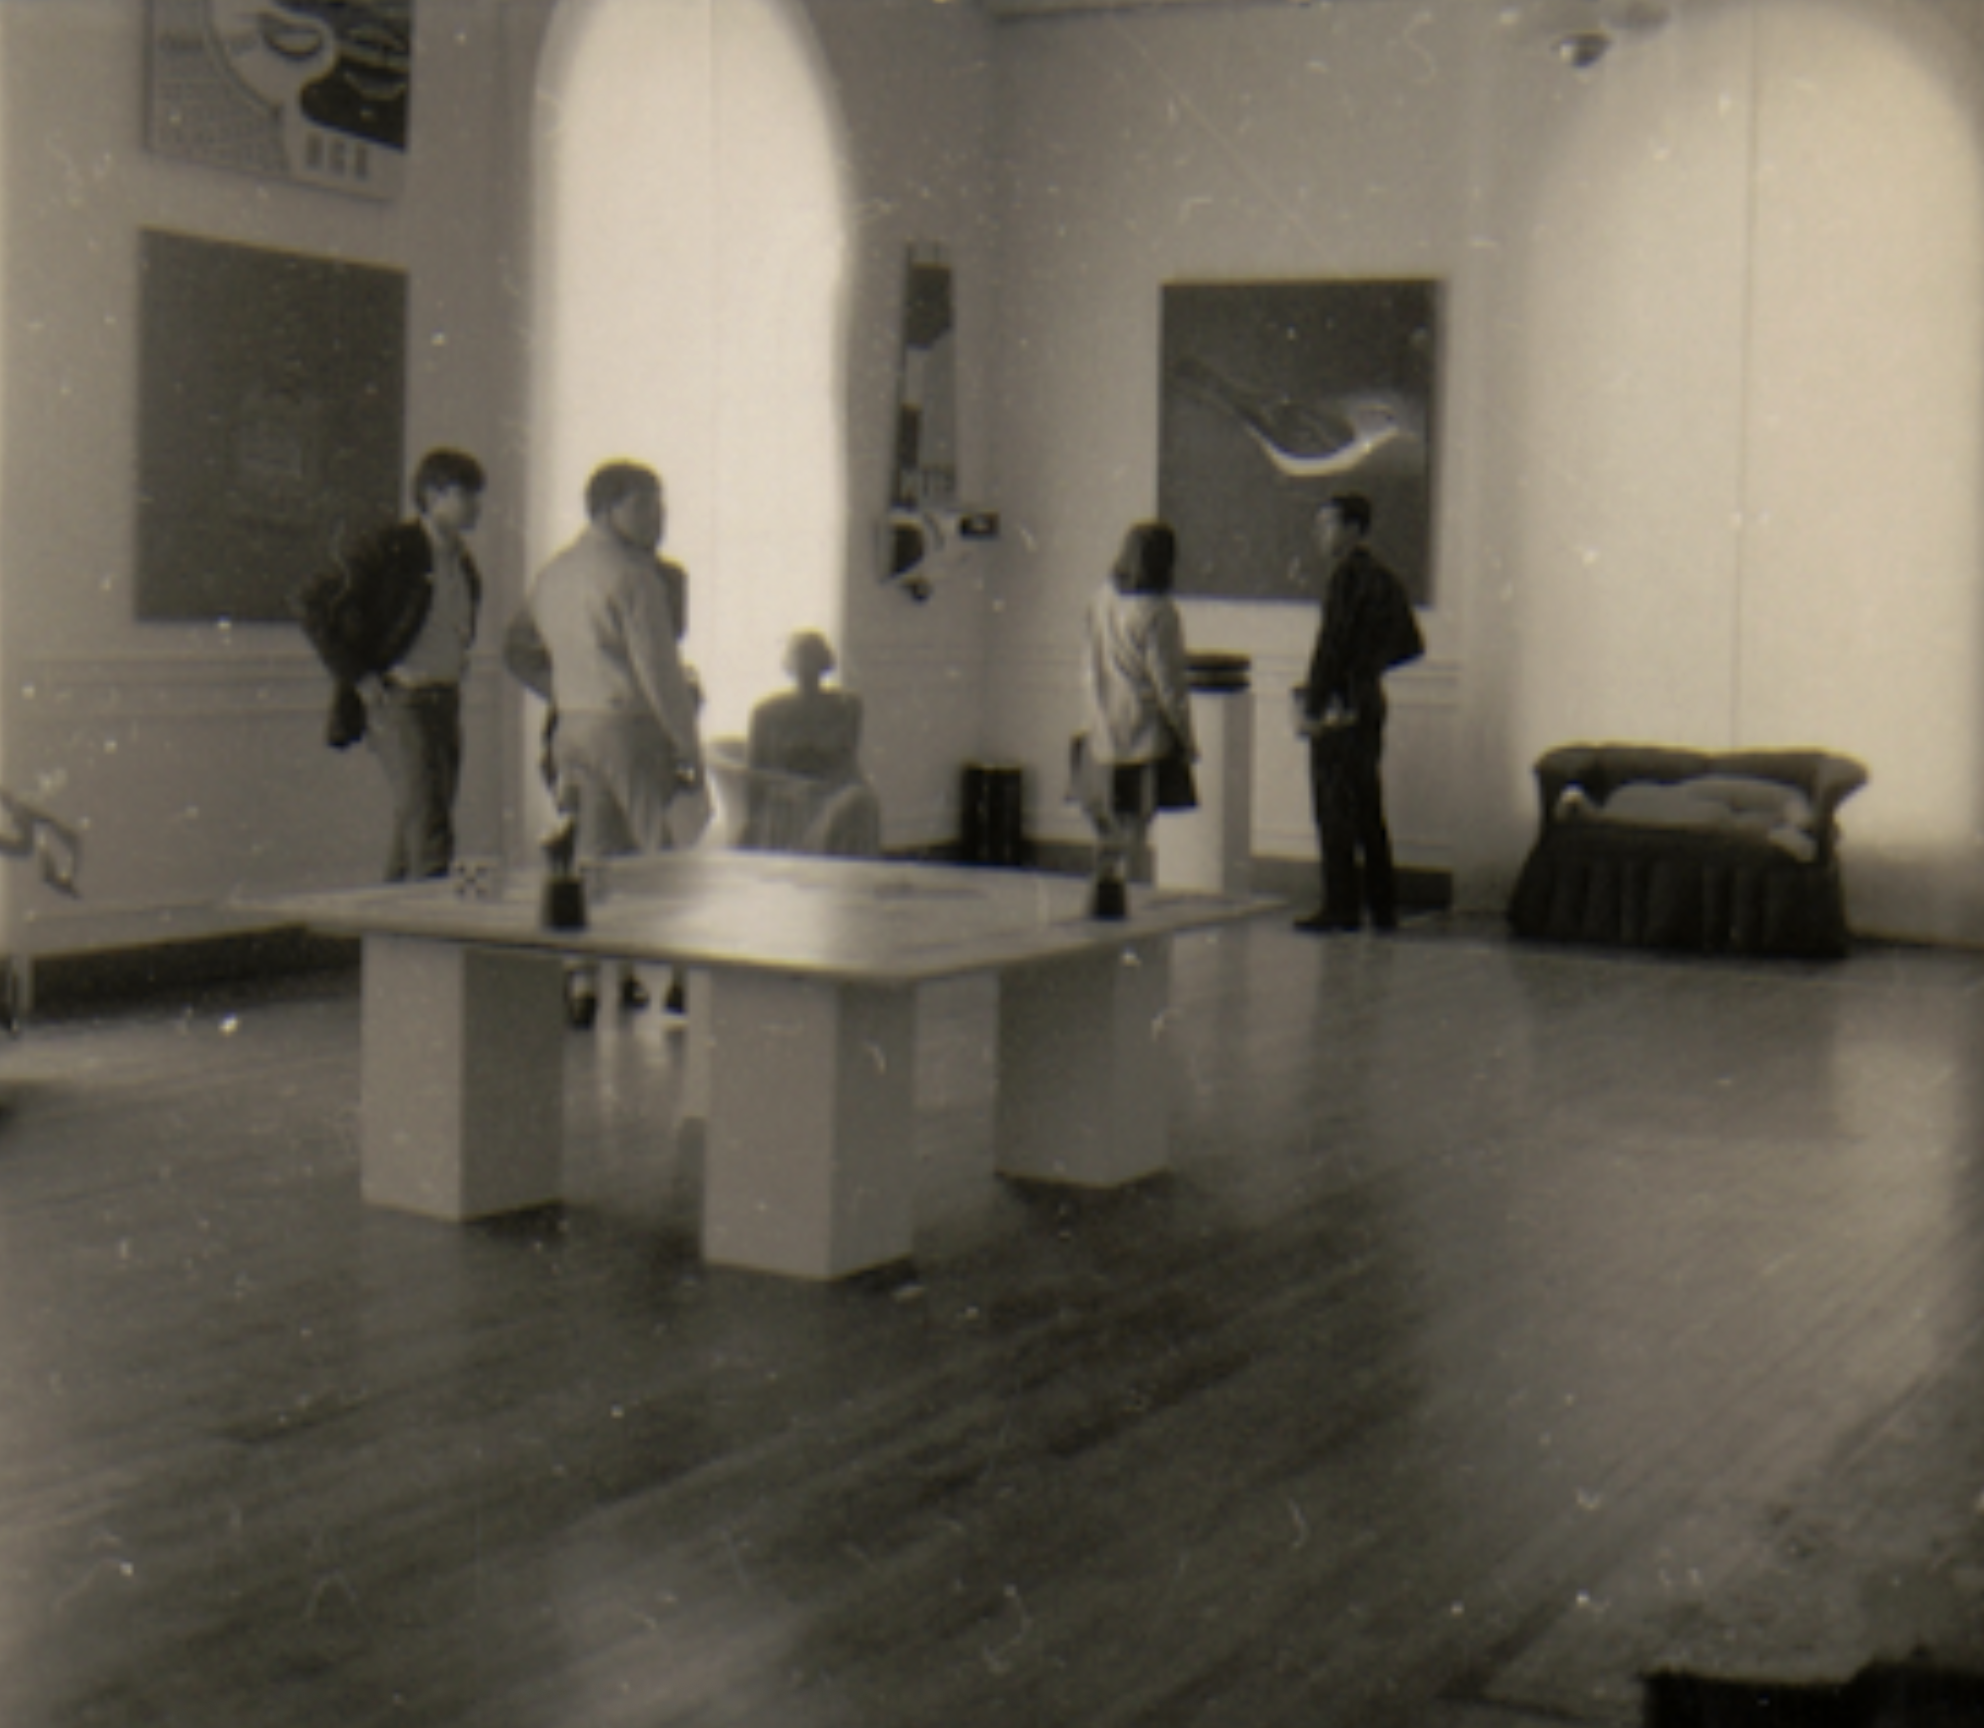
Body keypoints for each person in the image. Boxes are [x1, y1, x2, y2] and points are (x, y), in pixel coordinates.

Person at [505, 461, 704, 1028]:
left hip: (574, 728)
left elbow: (517, 646)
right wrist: (687, 746)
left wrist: (568, 689)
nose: (659, 517)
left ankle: (583, 980)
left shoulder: (556, 572)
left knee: (591, 862)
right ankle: (684, 981)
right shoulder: (634, 576)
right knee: (667, 855)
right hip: (632, 727)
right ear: (606, 508)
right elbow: (660, 673)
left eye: (660, 504)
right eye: (645, 504)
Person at [293, 447, 488, 882]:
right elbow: (311, 601)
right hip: (401, 701)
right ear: (432, 494)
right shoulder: (392, 547)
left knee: (415, 826)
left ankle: (392, 942)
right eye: (466, 494)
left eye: (478, 494)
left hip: (445, 700)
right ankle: (433, 939)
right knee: (430, 828)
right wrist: (358, 673)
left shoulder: (463, 563)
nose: (477, 505)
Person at [1294, 492, 1424, 934]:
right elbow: (1411, 643)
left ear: (1353, 528)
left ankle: (1341, 906)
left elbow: (1329, 650)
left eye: (1328, 524)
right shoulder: (1384, 579)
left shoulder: (1345, 580)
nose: (1321, 534)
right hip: (1367, 702)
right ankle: (1383, 907)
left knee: (1334, 809)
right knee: (1367, 806)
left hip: (1339, 707)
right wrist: (1368, 669)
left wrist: (1314, 703)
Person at [1073, 520, 1198, 918]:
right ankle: (1120, 901)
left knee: (1107, 823)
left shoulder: (1102, 597)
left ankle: (1103, 895)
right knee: (1135, 825)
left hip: (1100, 725)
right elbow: (1169, 685)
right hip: (1142, 732)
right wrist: (1187, 737)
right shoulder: (1160, 612)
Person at [742, 631, 880, 857]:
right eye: (802, 661)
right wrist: (752, 821)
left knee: (860, 802)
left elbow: (849, 760)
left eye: (814, 660)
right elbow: (755, 775)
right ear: (791, 666)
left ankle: (854, 877)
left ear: (825, 663)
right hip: (789, 797)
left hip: (832, 790)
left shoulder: (847, 706)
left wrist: (844, 787)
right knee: (847, 806)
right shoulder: (766, 712)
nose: (808, 670)